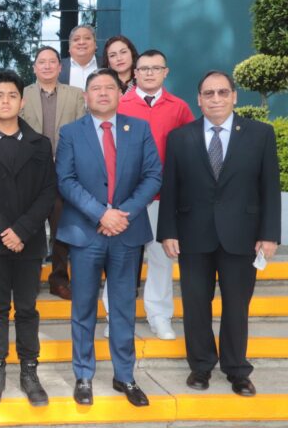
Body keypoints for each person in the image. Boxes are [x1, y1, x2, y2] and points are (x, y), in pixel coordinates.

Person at [158, 71, 281, 397]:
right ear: (198, 99)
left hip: (242, 236)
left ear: (234, 96)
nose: (215, 99)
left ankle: (237, 369)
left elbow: (269, 187)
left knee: (237, 306)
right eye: (208, 93)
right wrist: (167, 231)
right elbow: (170, 187)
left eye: (222, 93)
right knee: (196, 304)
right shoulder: (180, 137)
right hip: (192, 236)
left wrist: (270, 235)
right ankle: (200, 366)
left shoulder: (260, 134)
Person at [56, 68, 161, 407]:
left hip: (126, 234)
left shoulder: (139, 129)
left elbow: (152, 176)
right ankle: (83, 375)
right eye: (96, 88)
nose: (103, 93)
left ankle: (124, 376)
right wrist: (102, 213)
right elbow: (66, 180)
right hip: (86, 233)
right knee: (83, 308)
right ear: (85, 97)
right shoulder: (70, 132)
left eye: (109, 88)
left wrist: (122, 214)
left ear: (120, 94)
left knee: (123, 308)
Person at [0, 70, 56, 406]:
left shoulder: (40, 144)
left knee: (28, 308)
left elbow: (48, 192)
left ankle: (29, 370)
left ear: (22, 100)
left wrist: (22, 230)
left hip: (29, 241)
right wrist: (5, 231)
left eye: (11, 95)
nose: (5, 101)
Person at [101, 49, 194, 340]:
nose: (150, 73)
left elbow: (189, 153)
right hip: (124, 199)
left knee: (161, 258)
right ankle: (114, 316)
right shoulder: (120, 104)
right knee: (120, 259)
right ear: (135, 73)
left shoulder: (179, 108)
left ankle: (159, 315)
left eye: (156, 68)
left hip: (162, 199)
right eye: (144, 68)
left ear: (166, 72)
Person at [21, 46, 86, 300]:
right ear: (34, 67)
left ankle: (59, 279)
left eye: (52, 62)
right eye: (41, 62)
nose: (47, 66)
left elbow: (82, 133)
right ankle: (29, 279)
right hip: (31, 175)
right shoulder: (22, 95)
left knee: (61, 229)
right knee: (31, 228)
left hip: (64, 175)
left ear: (60, 67)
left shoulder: (76, 95)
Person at [59, 24, 98, 90]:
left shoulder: (107, 65)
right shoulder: (57, 67)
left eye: (87, 38)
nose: (82, 42)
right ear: (69, 47)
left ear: (95, 44)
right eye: (76, 39)